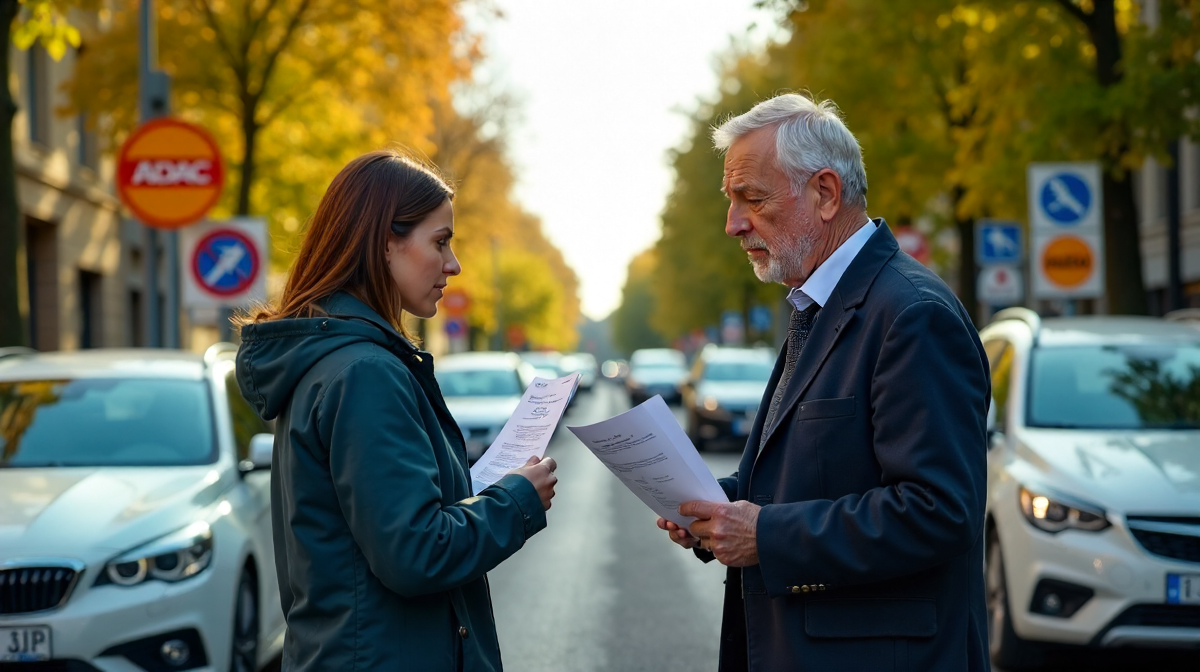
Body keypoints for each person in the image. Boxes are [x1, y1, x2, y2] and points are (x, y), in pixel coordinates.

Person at [657, 94, 991, 671]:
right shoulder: (821, 301)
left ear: (826, 193)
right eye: (732, 201)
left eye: (752, 199)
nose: (733, 224)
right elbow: (818, 470)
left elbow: (941, 511)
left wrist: (769, 536)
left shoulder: (911, 314)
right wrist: (719, 507)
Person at [235, 150, 557, 672]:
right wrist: (518, 499)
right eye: (440, 241)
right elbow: (415, 552)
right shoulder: (365, 372)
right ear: (386, 241)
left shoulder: (337, 361)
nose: (453, 265)